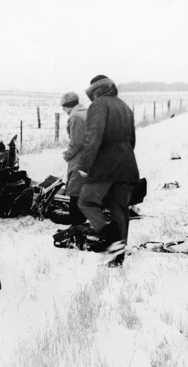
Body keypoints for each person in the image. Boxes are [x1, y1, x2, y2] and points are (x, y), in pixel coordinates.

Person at [78, 75, 140, 266]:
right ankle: (118, 257)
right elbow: (132, 140)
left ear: (94, 90)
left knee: (86, 201)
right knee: (120, 210)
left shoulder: (98, 105)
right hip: (127, 164)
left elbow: (93, 138)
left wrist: (85, 164)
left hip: (105, 165)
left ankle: (110, 238)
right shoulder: (124, 106)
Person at [60, 92, 88, 225]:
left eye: (63, 107)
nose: (63, 110)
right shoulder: (86, 112)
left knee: (74, 192)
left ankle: (77, 227)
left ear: (67, 105)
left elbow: (77, 143)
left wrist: (67, 155)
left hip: (81, 158)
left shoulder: (75, 117)